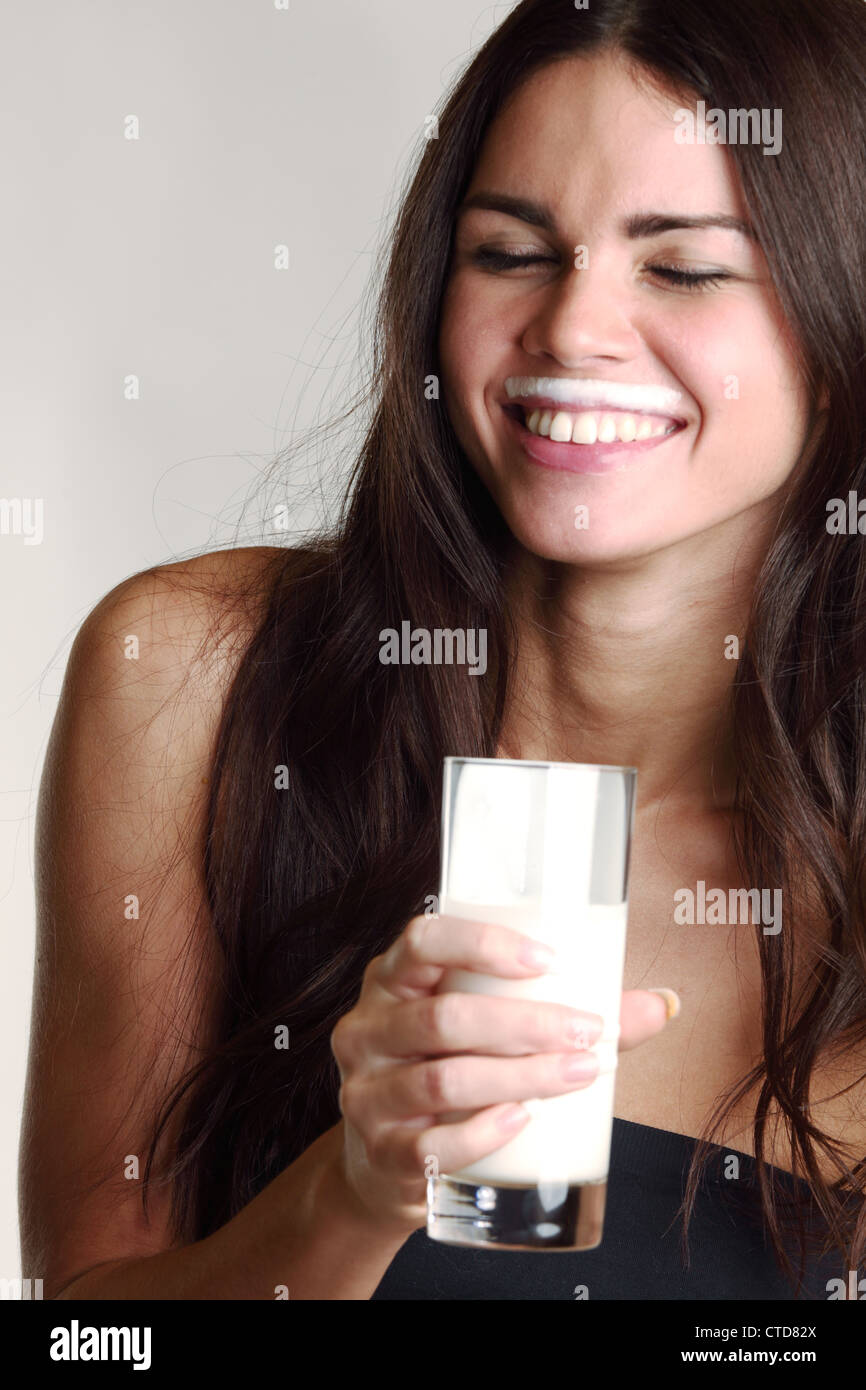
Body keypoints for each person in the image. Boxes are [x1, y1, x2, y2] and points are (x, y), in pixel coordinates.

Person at [20, 0, 866, 1301]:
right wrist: (352, 1191)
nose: (572, 329)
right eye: (510, 251)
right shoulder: (190, 680)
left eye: (683, 267)